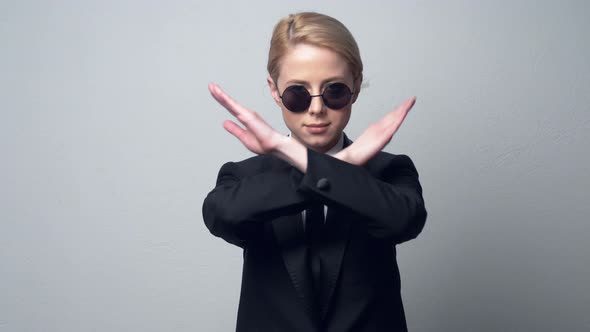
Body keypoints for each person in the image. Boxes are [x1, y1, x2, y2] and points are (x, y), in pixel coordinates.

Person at [203, 12, 427, 332]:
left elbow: (404, 221)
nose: (317, 109)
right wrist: (341, 164)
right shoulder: (242, 177)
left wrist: (313, 162)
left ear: (356, 86)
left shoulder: (389, 170)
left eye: (334, 91)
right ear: (274, 90)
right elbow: (221, 216)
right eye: (298, 93)